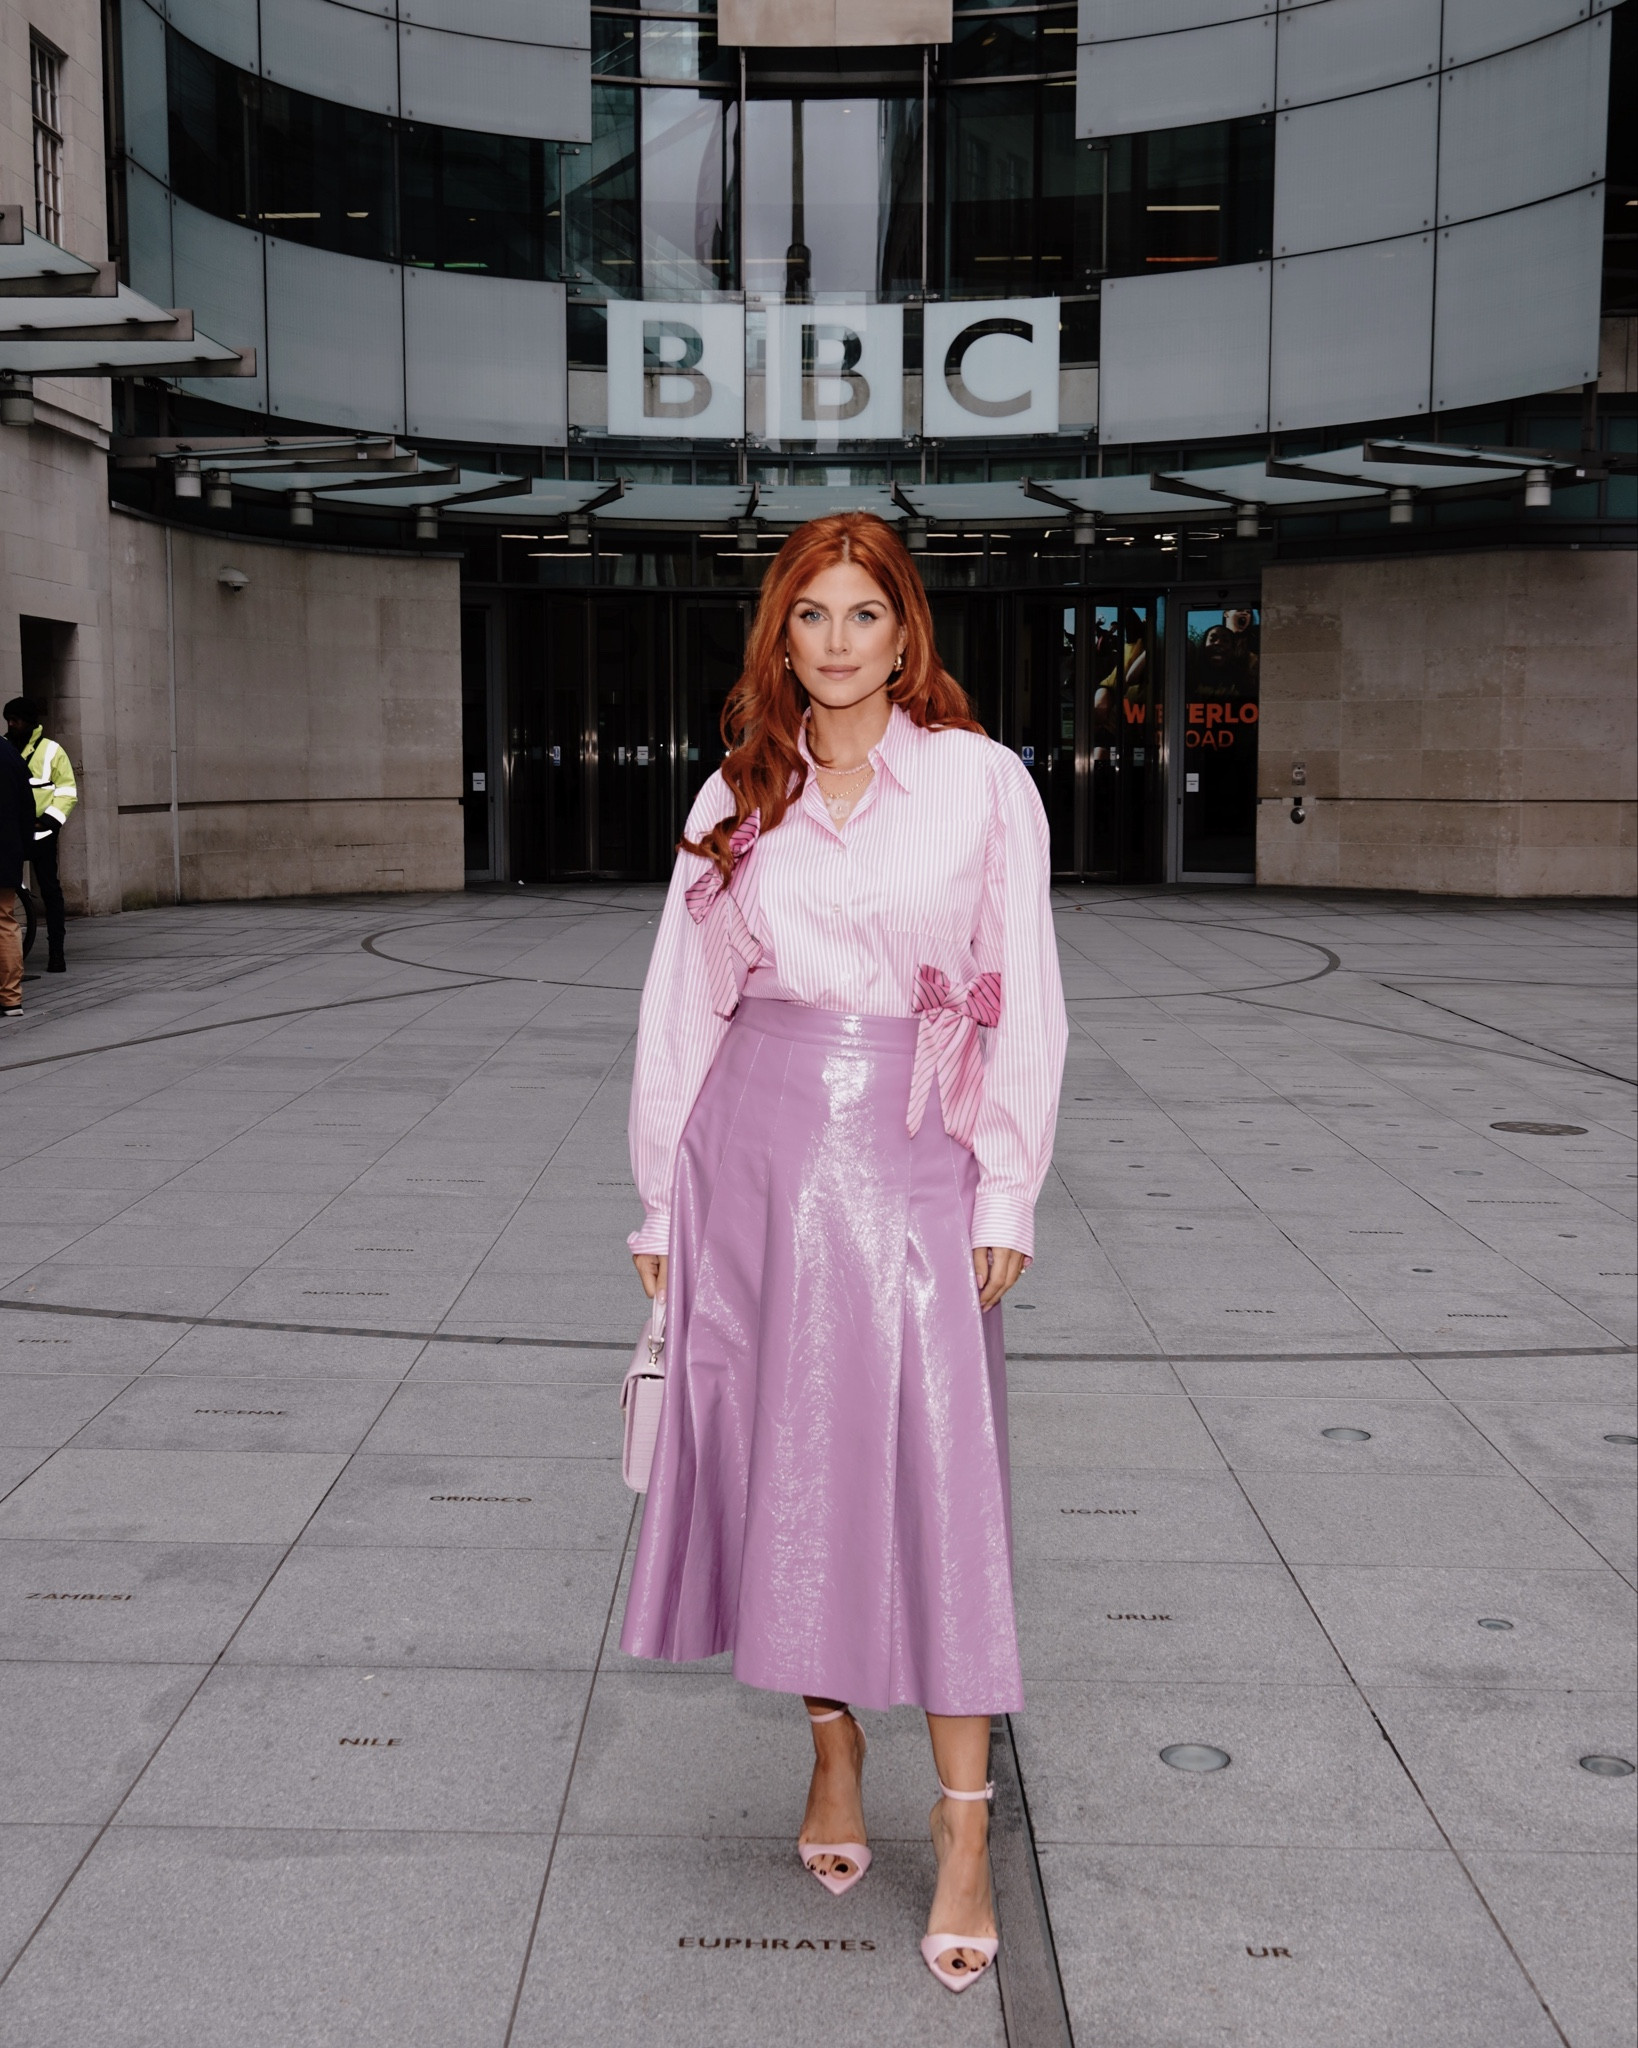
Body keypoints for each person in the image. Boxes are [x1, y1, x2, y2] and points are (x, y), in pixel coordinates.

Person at [620, 513, 1067, 1994]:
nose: (832, 641)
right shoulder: (737, 797)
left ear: (904, 630)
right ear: (779, 637)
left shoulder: (983, 786)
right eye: (806, 615)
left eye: (859, 613)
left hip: (918, 1163)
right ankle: (828, 1750)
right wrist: (660, 1210)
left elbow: (1028, 1003)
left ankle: (958, 1831)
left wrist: (1003, 1191)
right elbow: (683, 1009)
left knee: (940, 1497)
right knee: (786, 1479)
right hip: (751, 1168)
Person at [3, 698, 76, 974]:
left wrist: (48, 822)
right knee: (7, 888)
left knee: (50, 890)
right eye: (8, 718)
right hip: (11, 832)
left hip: (41, 832)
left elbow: (68, 791)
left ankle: (56, 951)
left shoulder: (52, 751)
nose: (11, 724)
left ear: (30, 721)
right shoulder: (5, 747)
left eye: (16, 719)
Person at [0, 720, 32, 1017]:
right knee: (5, 921)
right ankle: (11, 998)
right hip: (5, 852)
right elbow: (27, 806)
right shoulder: (10, 755)